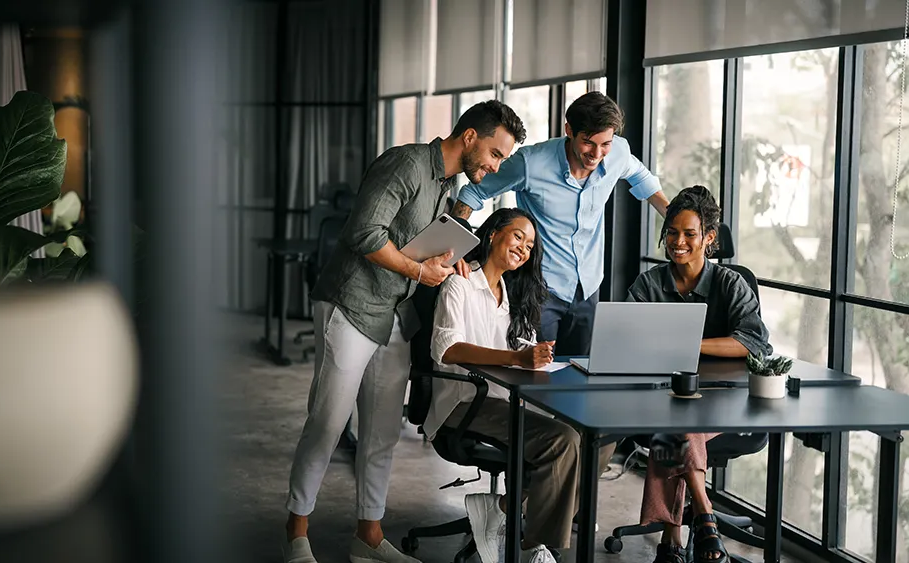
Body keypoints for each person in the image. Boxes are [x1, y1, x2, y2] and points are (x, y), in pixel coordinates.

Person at [283, 101, 528, 563]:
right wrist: (419, 269)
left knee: (382, 433)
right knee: (328, 422)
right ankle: (295, 533)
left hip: (395, 314)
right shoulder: (406, 163)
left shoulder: (447, 184)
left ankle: (368, 538)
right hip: (351, 304)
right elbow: (365, 233)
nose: (496, 167)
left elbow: (422, 241)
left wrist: (446, 258)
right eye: (496, 154)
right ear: (471, 137)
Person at [424, 207, 615, 563]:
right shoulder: (460, 284)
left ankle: (505, 508)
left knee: (598, 434)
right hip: (466, 403)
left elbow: (519, 349)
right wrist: (516, 359)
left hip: (509, 398)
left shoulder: (512, 295)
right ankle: (533, 546)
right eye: (518, 237)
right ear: (493, 234)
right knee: (562, 441)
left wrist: (537, 356)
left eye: (530, 245)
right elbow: (446, 348)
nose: (524, 249)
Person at [450, 91, 670, 356]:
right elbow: (473, 193)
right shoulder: (531, 164)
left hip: (588, 287)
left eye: (605, 144)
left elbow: (642, 178)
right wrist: (456, 247)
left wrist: (674, 220)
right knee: (537, 375)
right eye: (588, 143)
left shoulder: (618, 152)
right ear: (569, 130)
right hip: (539, 289)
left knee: (580, 375)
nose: (597, 154)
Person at [626, 185, 772, 563]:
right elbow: (627, 338)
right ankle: (704, 516)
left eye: (689, 234)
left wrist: (689, 343)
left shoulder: (730, 284)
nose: (678, 242)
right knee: (677, 421)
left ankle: (672, 540)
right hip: (660, 401)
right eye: (671, 232)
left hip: (724, 405)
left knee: (674, 429)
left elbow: (754, 342)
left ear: (709, 238)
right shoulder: (648, 285)